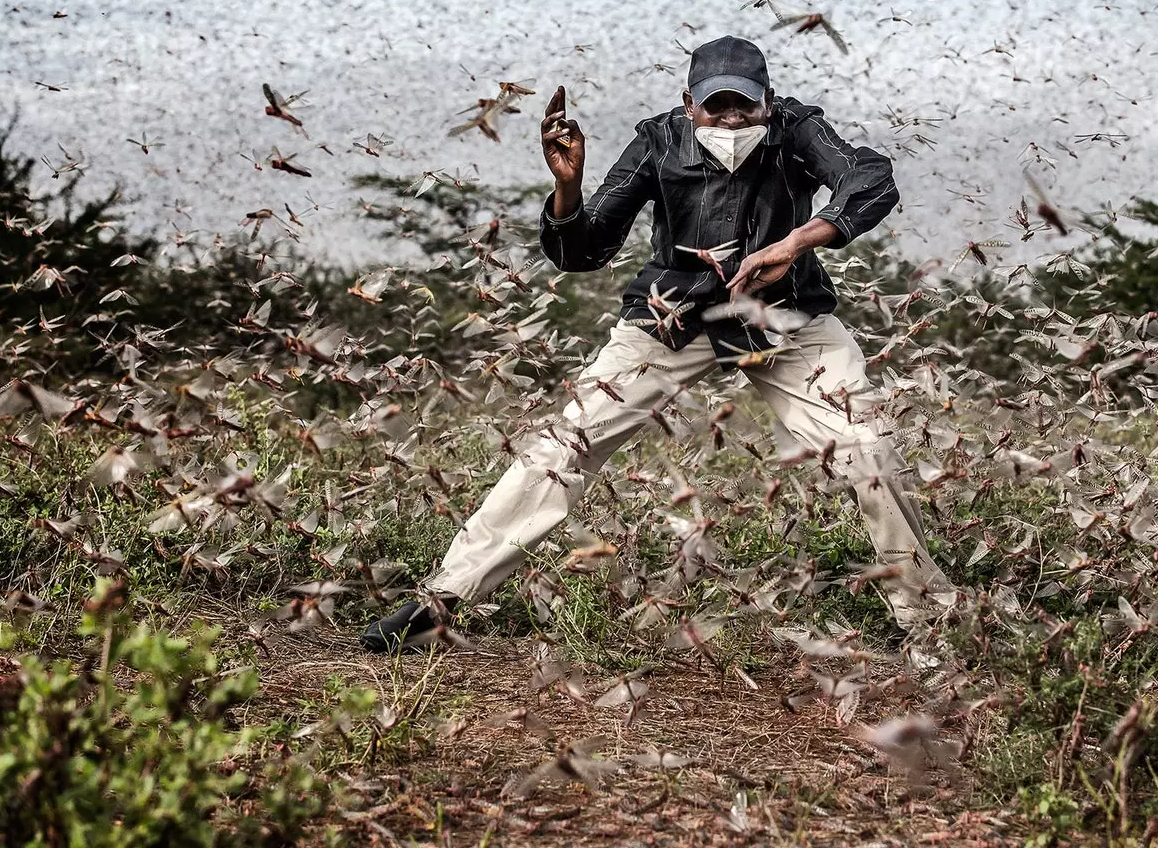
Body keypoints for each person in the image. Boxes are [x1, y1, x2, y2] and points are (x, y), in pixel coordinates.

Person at [361, 35, 955, 652]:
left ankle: (931, 625)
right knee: (566, 444)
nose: (730, 120)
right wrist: (568, 188)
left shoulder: (798, 130)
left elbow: (871, 178)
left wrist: (795, 244)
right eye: (715, 107)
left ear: (768, 102)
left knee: (866, 446)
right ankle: (443, 600)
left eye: (744, 107)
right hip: (674, 315)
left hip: (786, 313)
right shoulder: (656, 141)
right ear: (688, 103)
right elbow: (584, 251)